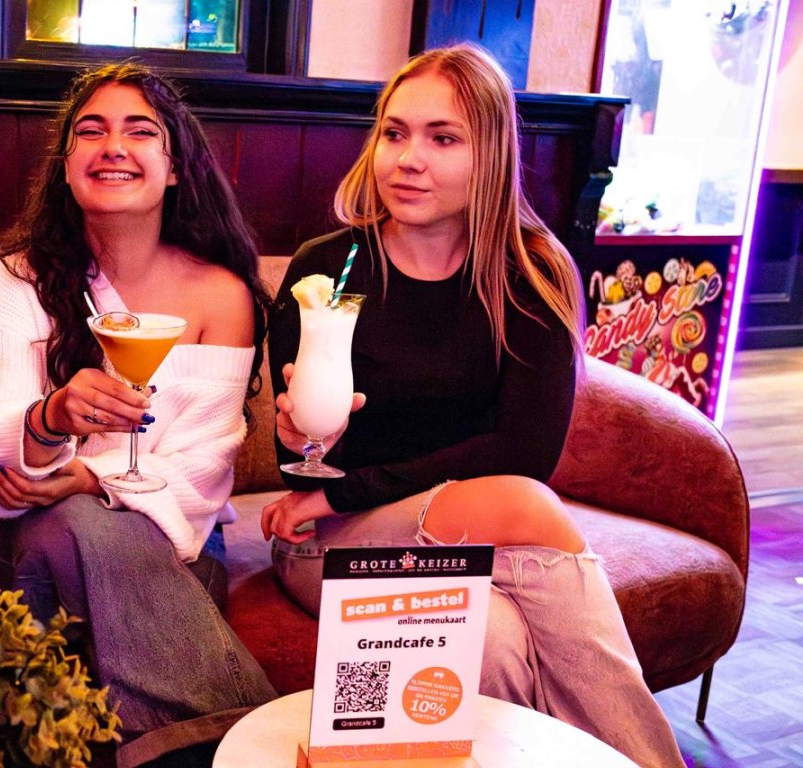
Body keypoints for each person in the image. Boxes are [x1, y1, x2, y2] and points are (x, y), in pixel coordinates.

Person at [263, 44, 684, 767]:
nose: (408, 159)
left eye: (443, 138)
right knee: (526, 505)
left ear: (490, 154)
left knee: (493, 639)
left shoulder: (529, 273)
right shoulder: (326, 270)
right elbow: (298, 471)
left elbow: (526, 450)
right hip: (327, 539)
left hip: (434, 523)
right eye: (394, 133)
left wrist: (349, 488)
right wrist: (309, 441)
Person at [0, 62, 277, 767]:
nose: (114, 147)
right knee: (64, 524)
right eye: (91, 131)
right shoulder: (15, 284)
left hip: (173, 544)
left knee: (73, 521)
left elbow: (206, 466)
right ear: (66, 167)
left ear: (176, 167)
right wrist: (47, 419)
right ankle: (227, 741)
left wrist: (91, 481)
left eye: (140, 131)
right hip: (34, 535)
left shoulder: (221, 294)